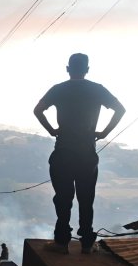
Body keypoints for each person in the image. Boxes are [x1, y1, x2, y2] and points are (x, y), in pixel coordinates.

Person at [34, 53, 125, 254]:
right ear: (87, 70)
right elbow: (120, 109)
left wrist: (51, 130)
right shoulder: (97, 90)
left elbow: (38, 110)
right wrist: (104, 133)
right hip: (87, 153)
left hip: (64, 151)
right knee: (86, 199)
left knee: (63, 198)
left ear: (68, 68)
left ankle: (61, 242)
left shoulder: (58, 90)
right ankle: (86, 242)